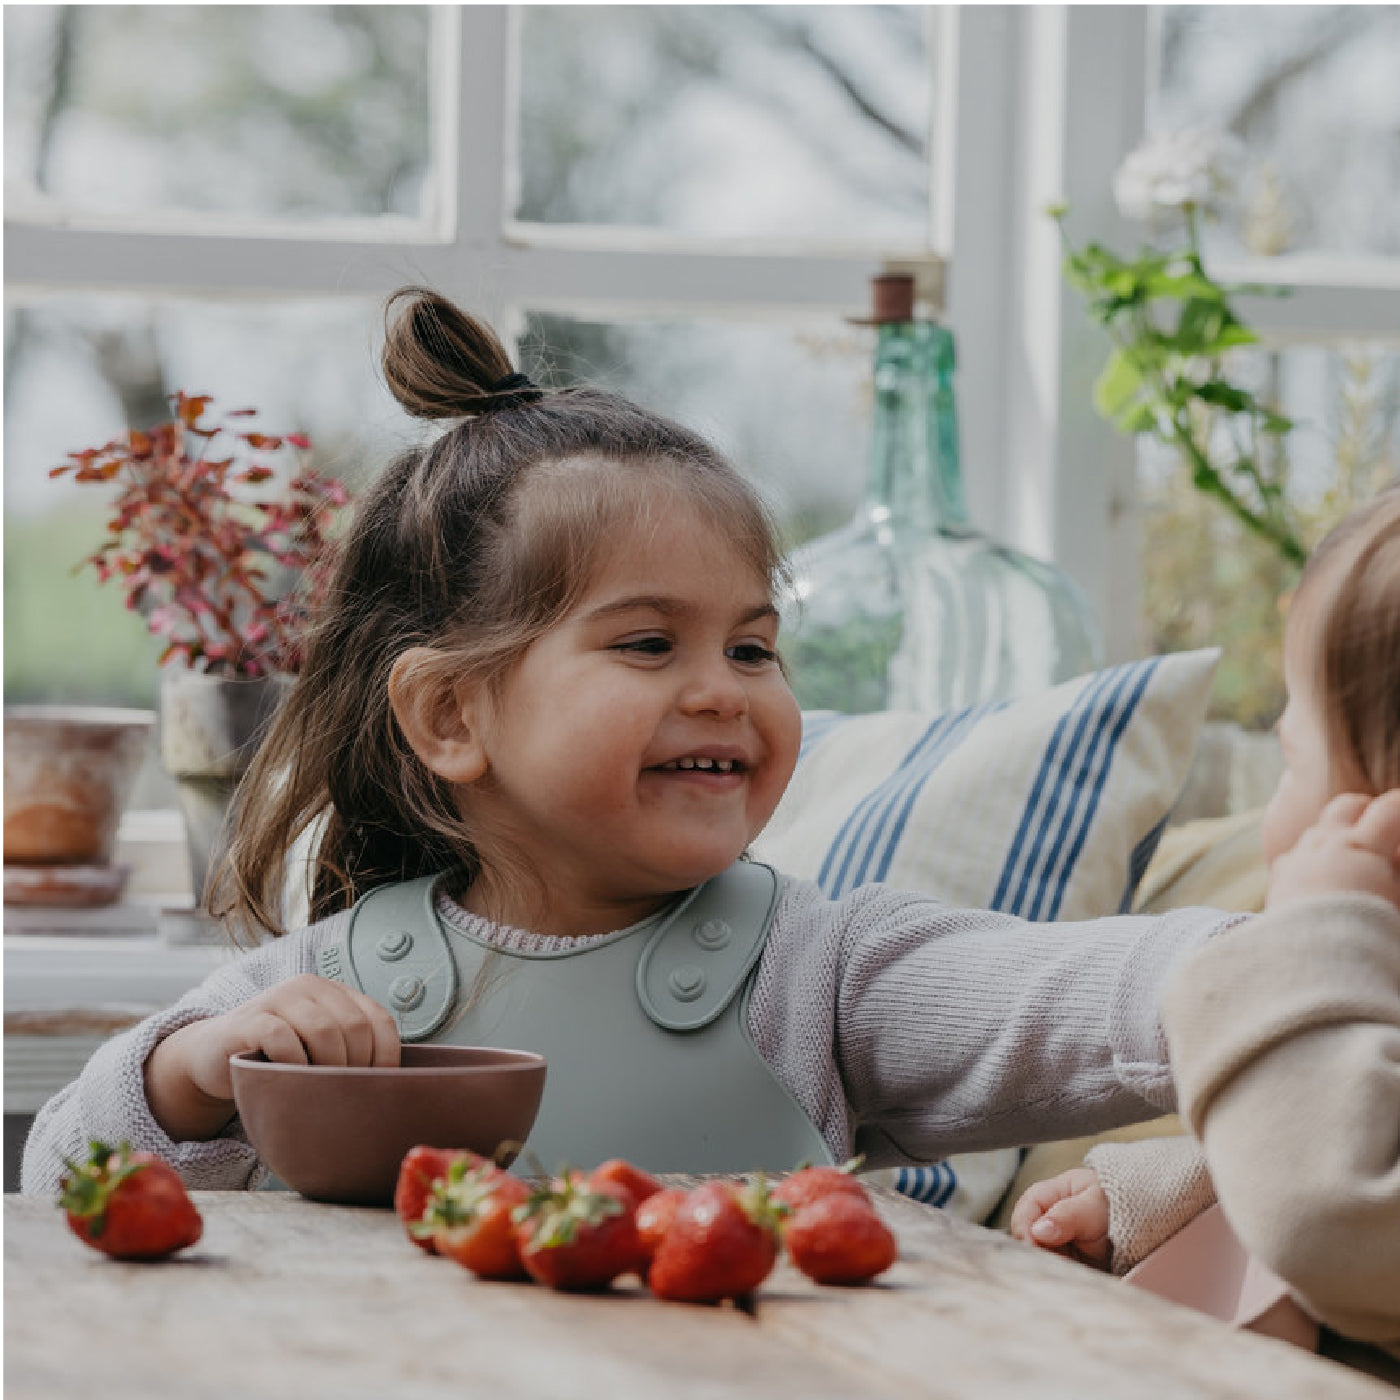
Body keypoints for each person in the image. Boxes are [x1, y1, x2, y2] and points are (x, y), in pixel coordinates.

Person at [25, 287, 1255, 1195]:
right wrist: (191, 1070)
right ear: (451, 715)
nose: (724, 689)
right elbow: (61, 1168)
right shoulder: (327, 991)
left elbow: (1074, 996)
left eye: (752, 646)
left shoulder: (821, 969)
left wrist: (1292, 953)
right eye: (649, 644)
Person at [1009, 487, 1400, 1361]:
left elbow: (1339, 1214)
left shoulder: (1336, 968)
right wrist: (1156, 1197)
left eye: (1291, 759)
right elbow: (1350, 1139)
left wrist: (1315, 948)